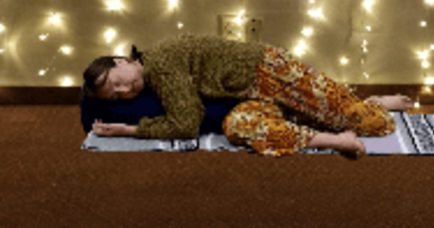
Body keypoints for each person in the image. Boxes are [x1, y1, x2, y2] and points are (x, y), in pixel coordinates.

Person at [82, 33, 414, 159]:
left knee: (375, 124)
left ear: (121, 61)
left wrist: (129, 130)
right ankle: (337, 141)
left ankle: (376, 104)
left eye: (116, 81)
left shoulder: (160, 65)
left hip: (271, 71)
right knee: (239, 126)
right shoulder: (153, 77)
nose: (124, 91)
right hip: (251, 96)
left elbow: (186, 124)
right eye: (115, 96)